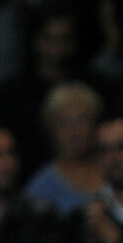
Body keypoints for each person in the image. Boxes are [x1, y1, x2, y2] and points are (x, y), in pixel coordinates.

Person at [24, 81, 105, 217]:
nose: (74, 132)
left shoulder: (116, 166)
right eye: (63, 124)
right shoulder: (41, 188)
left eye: (81, 120)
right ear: (51, 131)